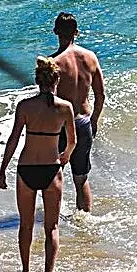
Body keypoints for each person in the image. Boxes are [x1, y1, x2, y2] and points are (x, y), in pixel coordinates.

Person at [0, 56, 76, 272]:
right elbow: (72, 142)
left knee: (26, 225)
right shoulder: (65, 108)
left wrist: (2, 170)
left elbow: (13, 140)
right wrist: (65, 157)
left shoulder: (25, 106)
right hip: (52, 169)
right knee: (52, 227)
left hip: (26, 169)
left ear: (37, 80)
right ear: (57, 79)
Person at [50, 12, 105, 213]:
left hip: (62, 126)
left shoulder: (52, 63)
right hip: (83, 123)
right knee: (81, 178)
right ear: (77, 32)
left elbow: (49, 100)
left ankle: (53, 219)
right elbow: (100, 95)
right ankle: (84, 221)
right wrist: (94, 121)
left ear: (55, 31)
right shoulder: (90, 58)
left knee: (55, 174)